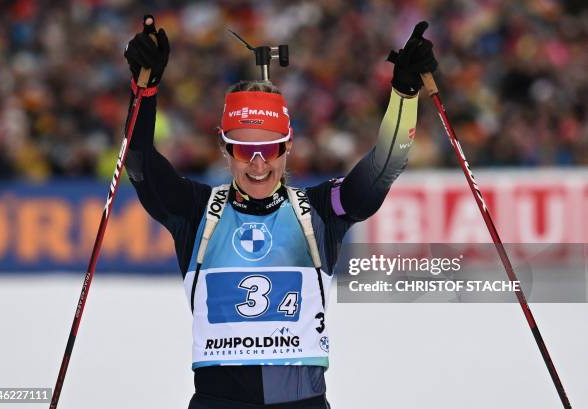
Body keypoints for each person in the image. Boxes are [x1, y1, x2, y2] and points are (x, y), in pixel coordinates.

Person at [123, 17, 437, 409]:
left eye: (270, 150)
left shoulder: (320, 210)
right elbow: (139, 163)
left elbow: (384, 168)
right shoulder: (195, 210)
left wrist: (405, 95)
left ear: (288, 148)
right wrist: (143, 92)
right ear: (225, 149)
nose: (258, 165)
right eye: (243, 150)